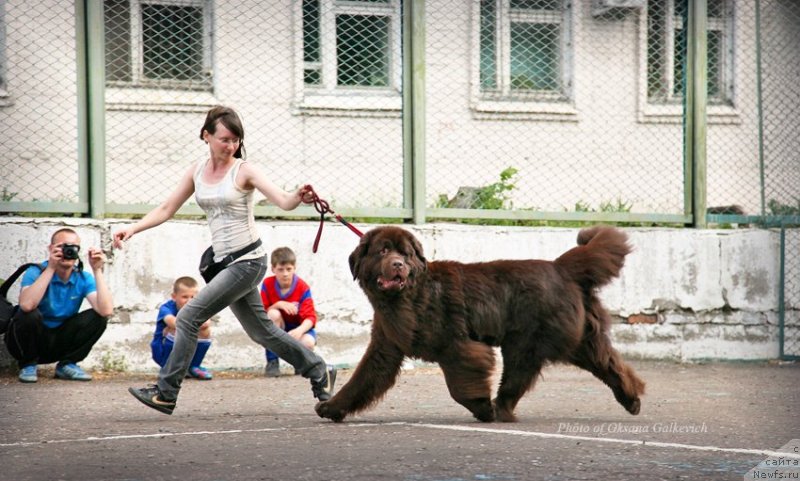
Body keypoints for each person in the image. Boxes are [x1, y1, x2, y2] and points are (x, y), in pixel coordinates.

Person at [113, 105, 336, 415]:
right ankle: (319, 370)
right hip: (224, 263)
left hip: (248, 261)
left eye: (235, 140)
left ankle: (166, 392)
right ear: (206, 135)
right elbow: (166, 208)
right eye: (224, 139)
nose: (230, 145)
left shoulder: (244, 170)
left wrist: (300, 195)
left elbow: (284, 201)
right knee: (262, 332)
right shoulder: (197, 170)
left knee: (189, 317)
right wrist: (133, 228)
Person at [4, 227, 113, 383]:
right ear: (51, 248)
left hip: (59, 341)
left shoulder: (82, 277)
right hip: (30, 341)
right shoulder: (35, 271)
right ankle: (28, 364)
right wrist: (51, 268)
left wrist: (98, 270)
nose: (67, 251)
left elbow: (106, 310)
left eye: (72, 247)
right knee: (29, 313)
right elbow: (26, 305)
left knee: (99, 317)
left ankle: (67, 364)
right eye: (63, 246)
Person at [261, 247, 319, 378]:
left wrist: (299, 331)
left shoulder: (302, 287)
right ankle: (272, 362)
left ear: (294, 268)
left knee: (308, 342)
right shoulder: (267, 284)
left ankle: (300, 364)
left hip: (298, 329)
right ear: (273, 269)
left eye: (289, 269)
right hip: (278, 327)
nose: (285, 274)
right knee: (272, 314)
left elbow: (310, 317)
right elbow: (262, 313)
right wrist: (278, 304)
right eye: (280, 270)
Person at [152, 276, 213, 380]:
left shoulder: (197, 307)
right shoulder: (166, 308)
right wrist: (196, 324)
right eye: (185, 297)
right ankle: (171, 368)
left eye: (193, 297)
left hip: (185, 351)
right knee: (176, 329)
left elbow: (206, 323)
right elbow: (174, 323)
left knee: (205, 330)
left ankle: (194, 366)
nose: (189, 301)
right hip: (162, 351)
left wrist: (198, 324)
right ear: (174, 296)